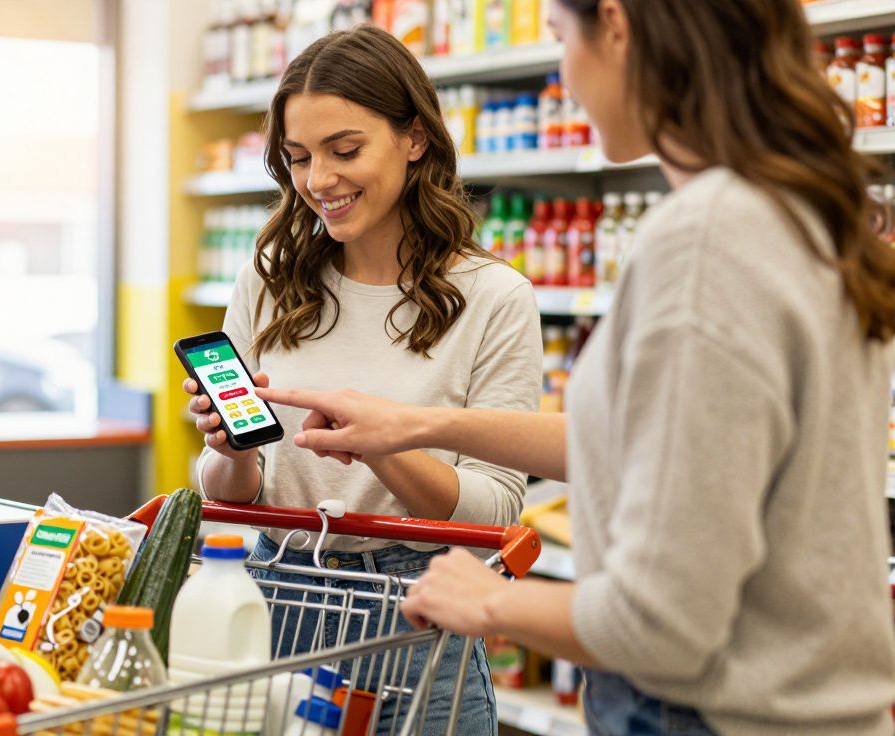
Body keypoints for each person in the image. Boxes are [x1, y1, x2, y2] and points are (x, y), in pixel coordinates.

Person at [257, 1, 895, 734]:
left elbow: (662, 620)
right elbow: (664, 444)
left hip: (714, 712)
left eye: (560, 37)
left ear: (616, 27)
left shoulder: (708, 242)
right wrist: (413, 426)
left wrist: (486, 601)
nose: (564, 72)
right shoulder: (808, 213)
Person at [182, 24, 542, 735]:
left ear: (414, 138)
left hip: (418, 617)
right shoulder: (269, 280)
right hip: (270, 601)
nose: (318, 180)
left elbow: (494, 517)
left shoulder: (496, 297)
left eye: (345, 150)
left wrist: (385, 443)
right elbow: (231, 496)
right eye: (298, 157)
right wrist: (230, 452)